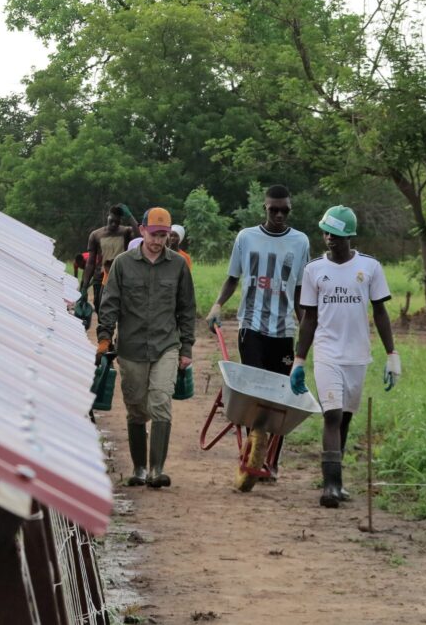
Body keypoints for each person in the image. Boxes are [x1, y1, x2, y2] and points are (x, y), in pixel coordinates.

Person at [290, 205, 401, 508]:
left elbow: (380, 312)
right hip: (327, 352)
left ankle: (338, 483)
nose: (330, 239)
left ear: (349, 236)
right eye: (326, 233)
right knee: (332, 414)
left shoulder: (370, 267)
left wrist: (392, 354)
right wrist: (299, 361)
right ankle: (330, 486)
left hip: (357, 355)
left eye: (336, 235)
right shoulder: (314, 269)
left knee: (346, 417)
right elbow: (309, 319)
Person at [205, 184, 310, 477]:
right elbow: (232, 278)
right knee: (255, 393)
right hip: (251, 326)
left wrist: (306, 329)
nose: (279, 215)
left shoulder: (300, 241)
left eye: (285, 210)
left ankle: (271, 460)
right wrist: (217, 305)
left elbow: (300, 290)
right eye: (274, 210)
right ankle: (252, 455)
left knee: (281, 397)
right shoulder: (246, 237)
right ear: (264, 208)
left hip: (284, 330)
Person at [96, 207, 196, 489]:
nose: (158, 241)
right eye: (154, 234)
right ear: (142, 231)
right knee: (137, 409)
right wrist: (104, 338)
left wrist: (186, 347)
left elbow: (187, 308)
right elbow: (110, 303)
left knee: (161, 402)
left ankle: (156, 471)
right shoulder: (122, 264)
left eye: (163, 235)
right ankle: (139, 468)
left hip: (166, 345)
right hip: (131, 347)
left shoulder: (178, 265)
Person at [80, 204, 138, 315]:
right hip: (100, 277)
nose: (114, 224)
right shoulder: (96, 235)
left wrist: (130, 216)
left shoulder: (125, 232)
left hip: (120, 277)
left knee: (121, 310)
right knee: (100, 308)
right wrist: (84, 286)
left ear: (121, 220)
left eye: (117, 222)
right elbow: (90, 263)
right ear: (108, 216)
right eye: (112, 220)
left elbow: (140, 236)